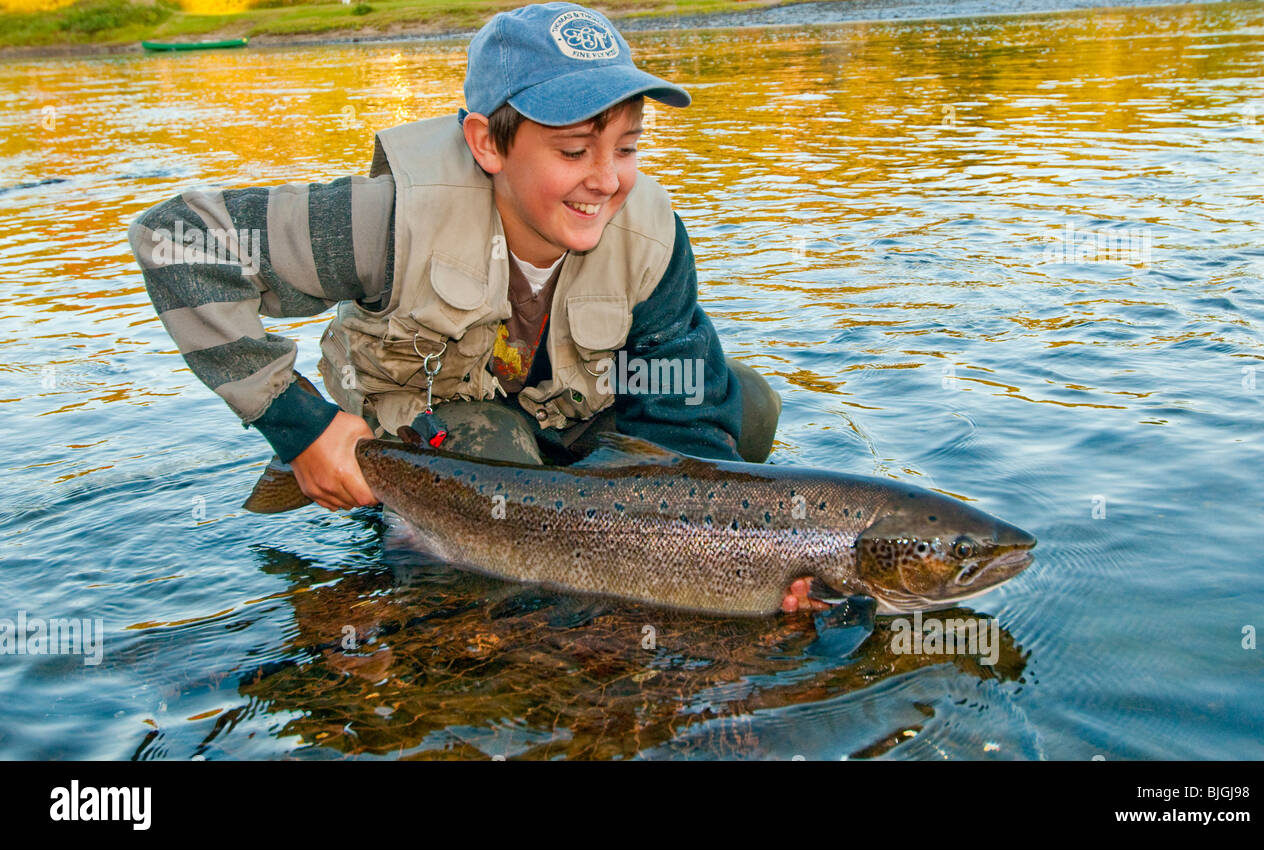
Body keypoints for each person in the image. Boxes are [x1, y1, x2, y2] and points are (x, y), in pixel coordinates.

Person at [128, 2, 821, 612]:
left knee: (748, 406)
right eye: (575, 149)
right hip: (423, 442)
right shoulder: (390, 217)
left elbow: (684, 426)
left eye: (628, 147)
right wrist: (299, 426)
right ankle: (449, 591)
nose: (607, 180)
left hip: (568, 428)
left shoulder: (651, 238)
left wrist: (735, 567)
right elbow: (178, 240)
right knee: (499, 448)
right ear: (487, 143)